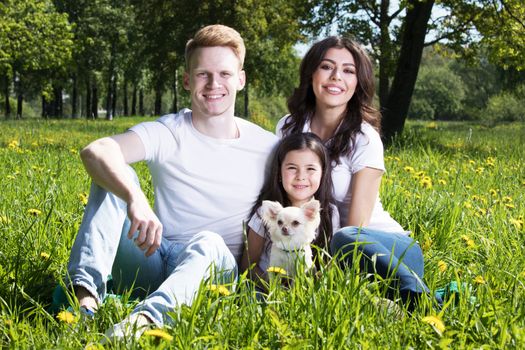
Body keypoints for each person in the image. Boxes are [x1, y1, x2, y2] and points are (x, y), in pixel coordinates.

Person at [65, 24, 277, 340]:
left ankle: (143, 322)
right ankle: (86, 301)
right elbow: (96, 150)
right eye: (203, 74)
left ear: (241, 80)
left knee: (208, 241)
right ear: (187, 80)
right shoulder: (169, 131)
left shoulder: (266, 145)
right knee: (113, 174)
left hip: (213, 270)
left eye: (225, 74)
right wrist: (134, 196)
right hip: (154, 255)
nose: (214, 84)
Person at [277, 36, 437, 307]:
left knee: (345, 237)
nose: (336, 77)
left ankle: (421, 300)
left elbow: (357, 227)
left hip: (384, 251)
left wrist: (322, 267)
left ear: (357, 82)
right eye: (327, 67)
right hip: (327, 249)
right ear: (311, 73)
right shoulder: (288, 128)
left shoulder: (364, 138)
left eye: (348, 71)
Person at [240, 132, 340, 285]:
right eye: (292, 168)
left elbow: (328, 267)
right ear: (279, 173)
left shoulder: (329, 213)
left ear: (322, 173)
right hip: (264, 290)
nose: (301, 176)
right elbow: (248, 266)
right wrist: (274, 289)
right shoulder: (266, 212)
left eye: (310, 169)